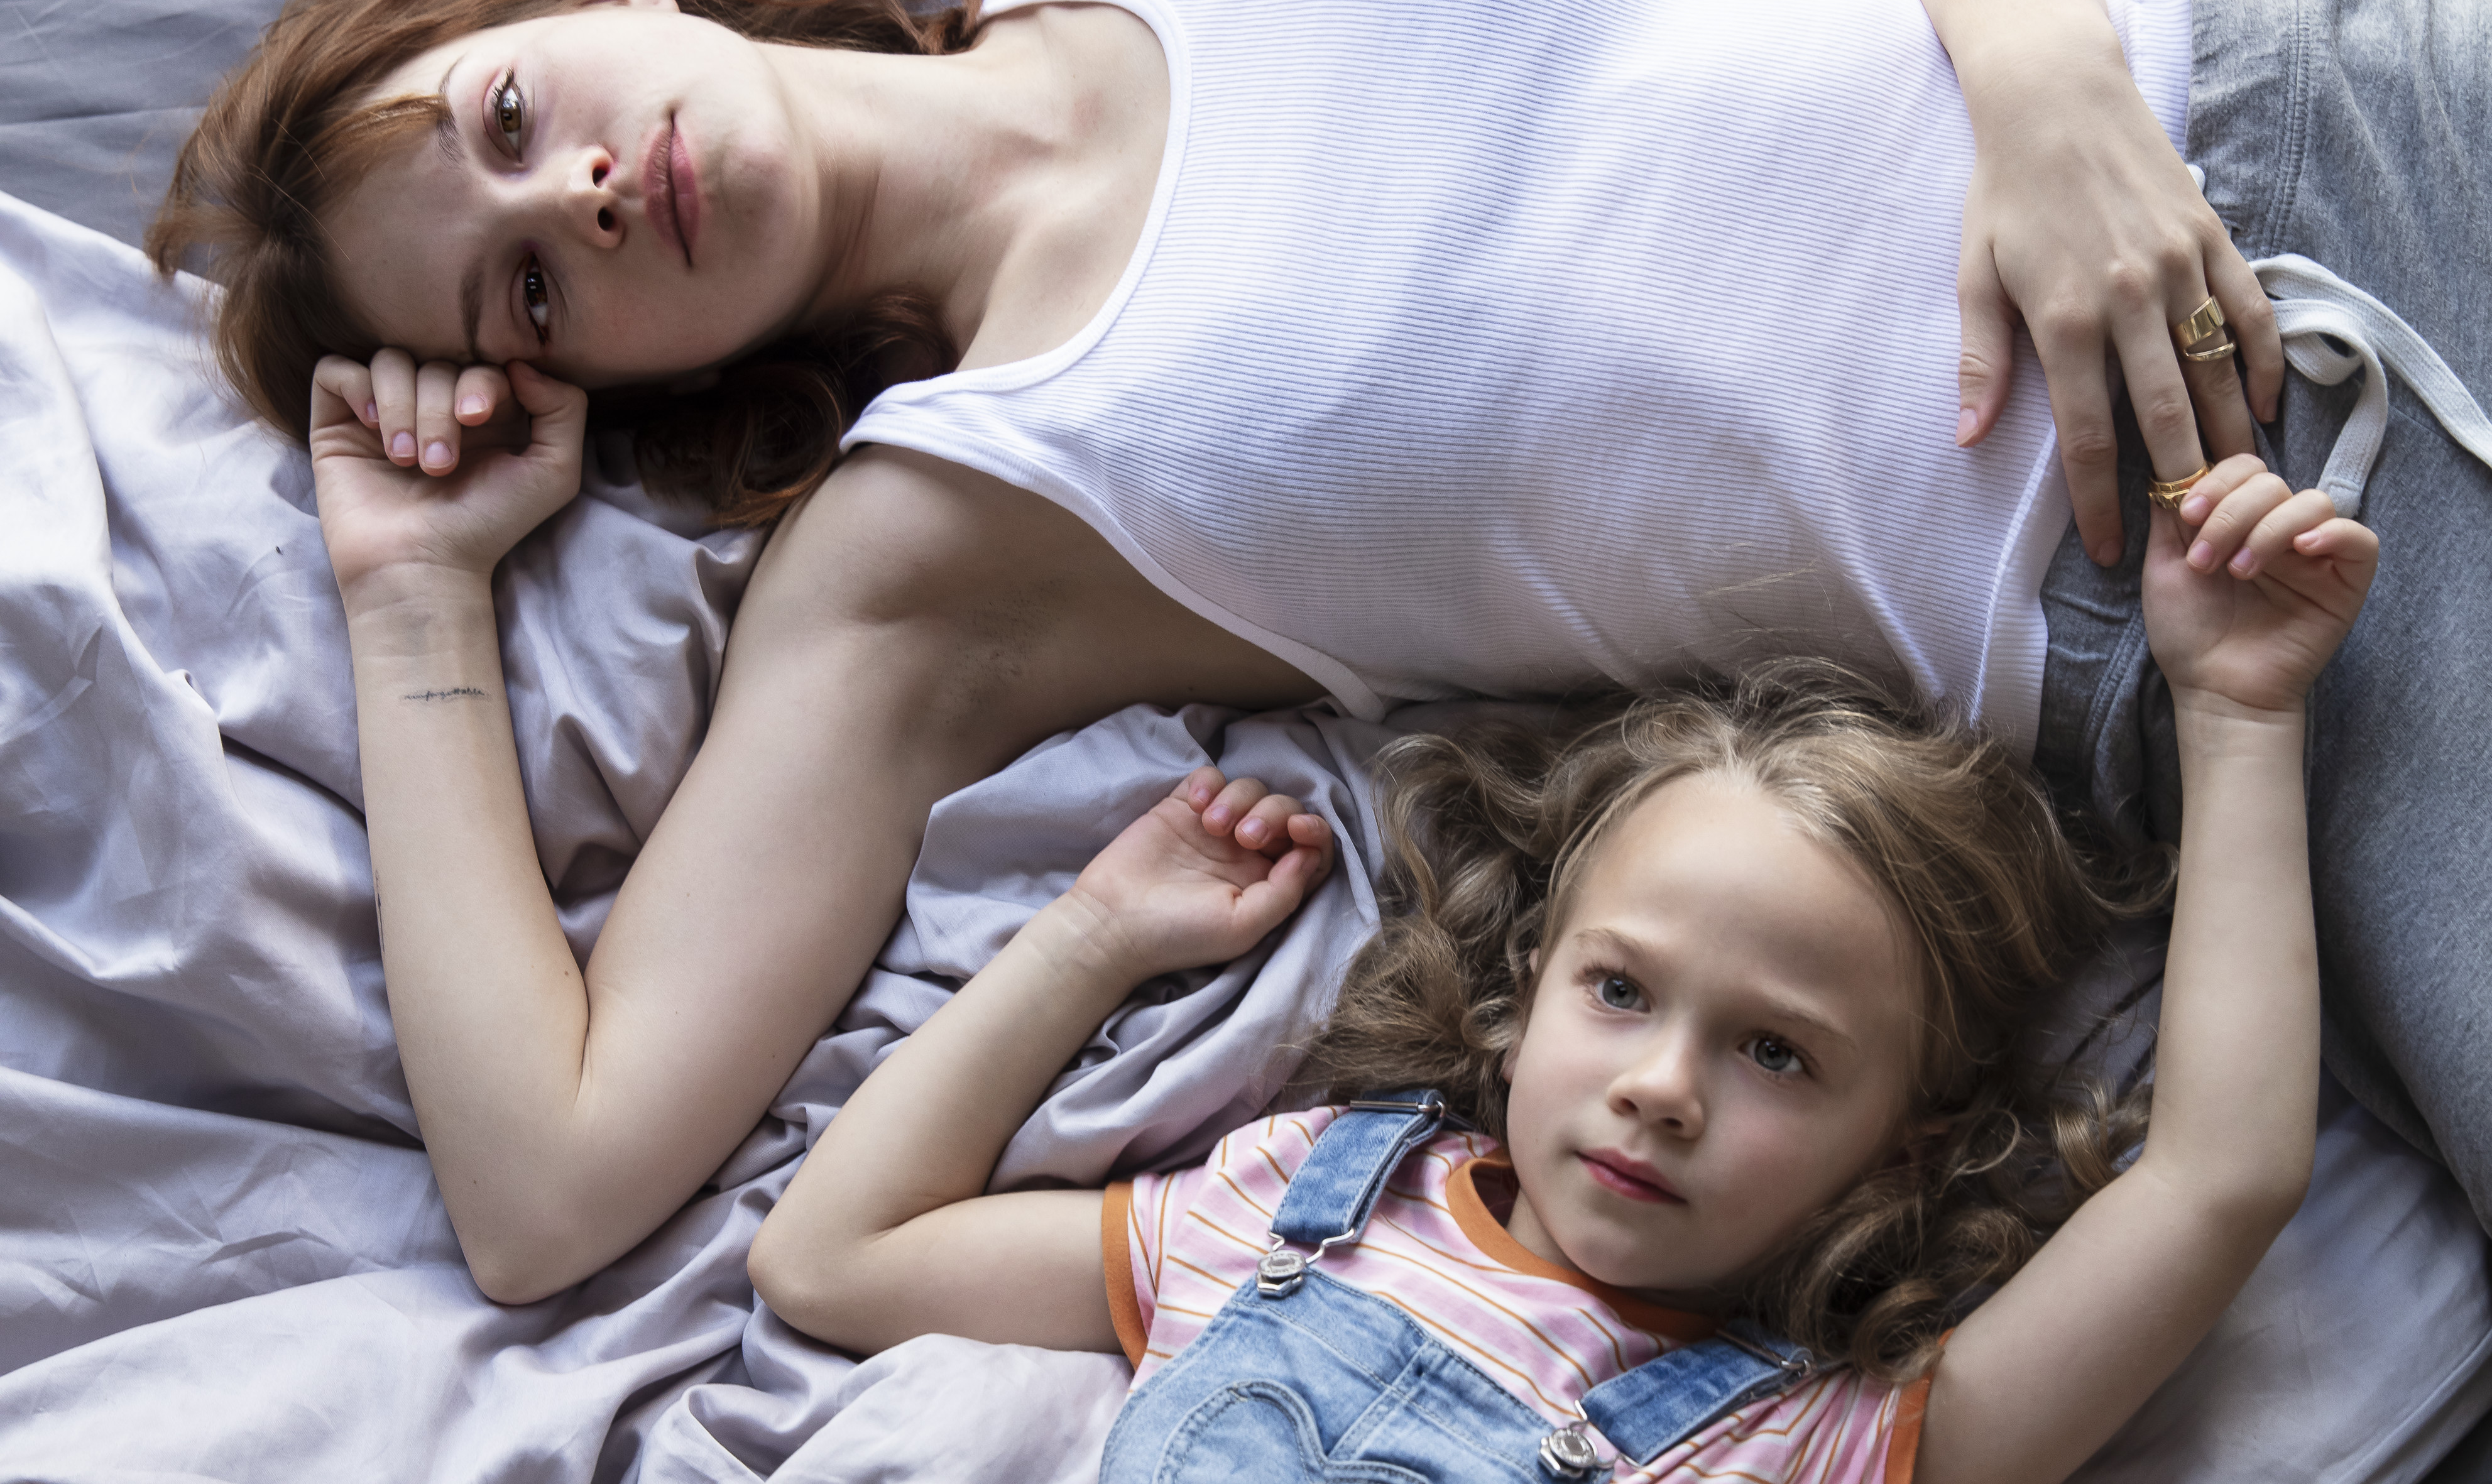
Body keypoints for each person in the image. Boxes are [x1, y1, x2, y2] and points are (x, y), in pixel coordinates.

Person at [143, 0, 2492, 1305]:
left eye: (515, 115)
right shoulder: (930, 551)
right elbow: (552, 1191)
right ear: (583, 378)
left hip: (2287, 90)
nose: (578, 193)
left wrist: (2043, 77)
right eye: (524, 286)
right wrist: (415, 595)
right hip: (2241, 621)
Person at [742, 457, 2375, 1484]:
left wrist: (2235, 717)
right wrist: (1094, 941)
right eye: (1621, 992)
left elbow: (2218, 1179)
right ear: (1524, 999)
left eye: (1779, 1055)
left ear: (1911, 1141)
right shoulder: (1294, 1218)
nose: (1662, 1087)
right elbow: (835, 1255)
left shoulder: (1820, 1445)